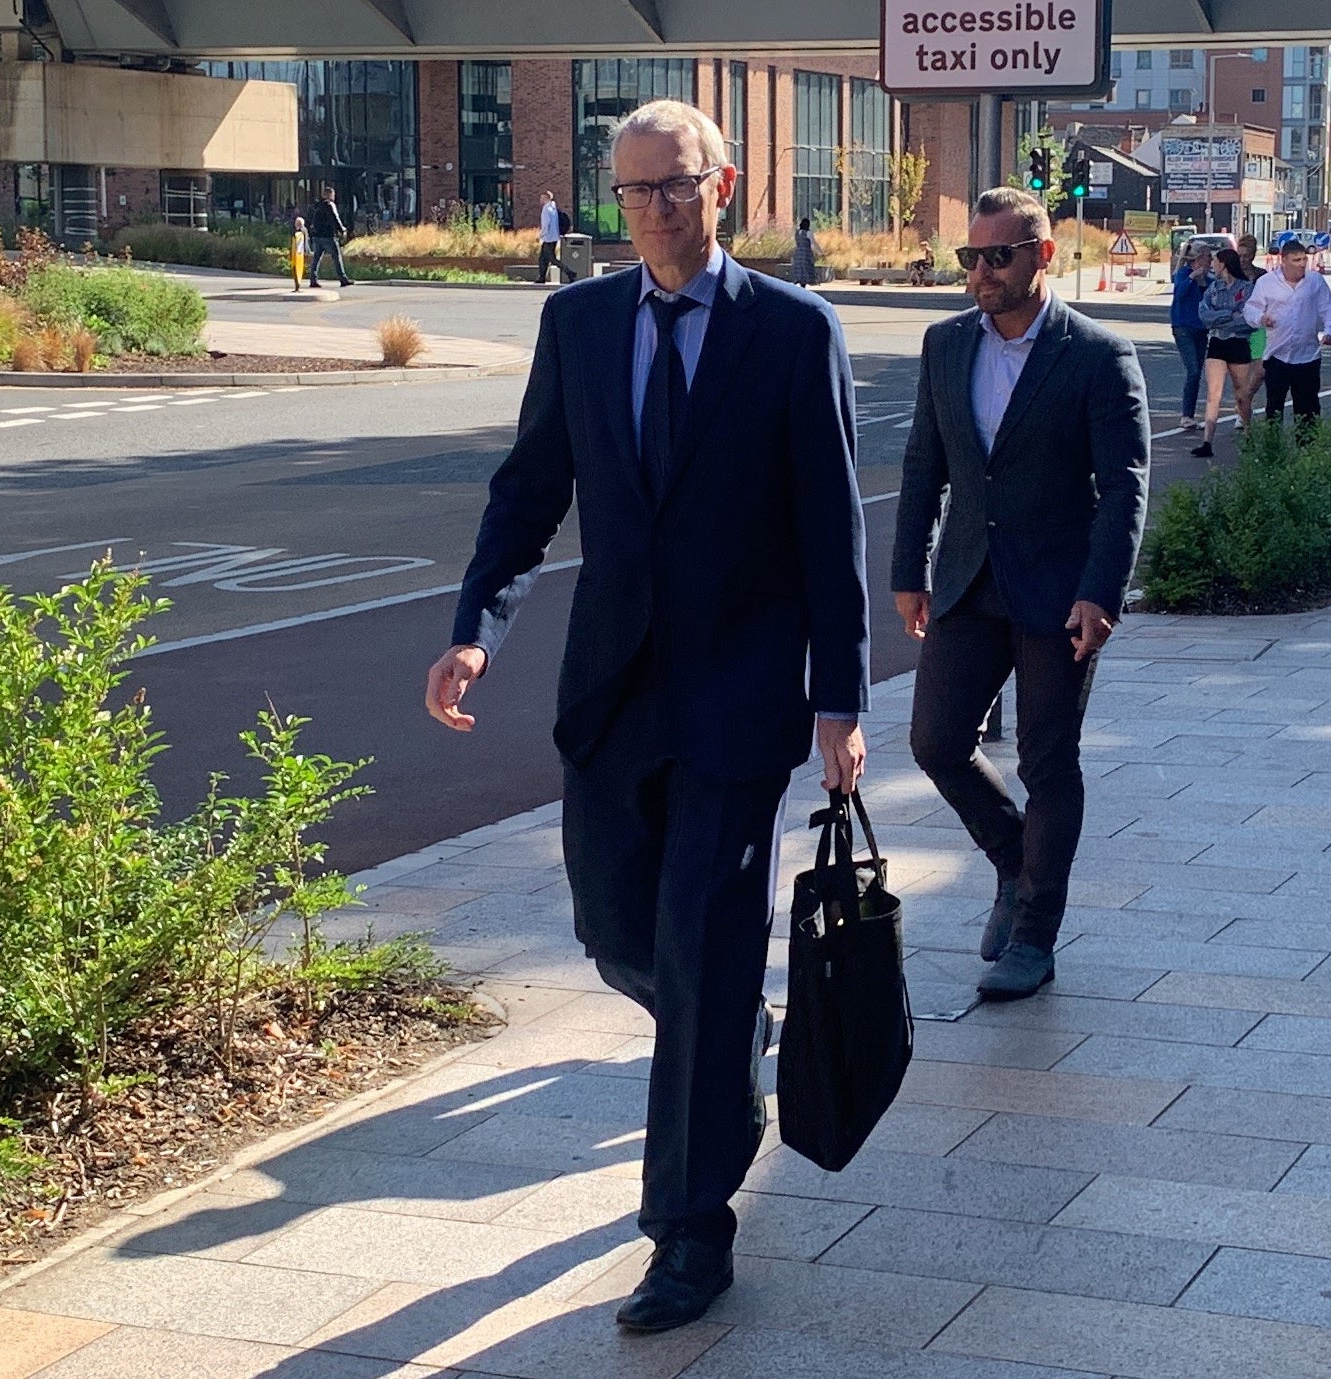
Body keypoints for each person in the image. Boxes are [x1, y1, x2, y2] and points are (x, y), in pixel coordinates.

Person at [423, 99, 869, 1334]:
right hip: (611, 694)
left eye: (674, 187)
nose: (653, 213)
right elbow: (527, 492)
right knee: (619, 933)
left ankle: (686, 1231)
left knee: (700, 936)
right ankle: (728, 1032)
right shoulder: (576, 324)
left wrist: (839, 696)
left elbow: (830, 527)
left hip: (737, 701)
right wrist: (476, 626)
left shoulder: (791, 331)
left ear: (721, 186)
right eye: (631, 194)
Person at [891, 186, 1151, 1002]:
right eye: (971, 256)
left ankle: (1035, 935)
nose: (981, 272)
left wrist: (1100, 593)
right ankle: (1014, 856)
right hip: (968, 582)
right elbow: (923, 466)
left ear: (1044, 255)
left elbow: (1126, 486)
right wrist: (908, 572)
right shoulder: (945, 345)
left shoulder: (1098, 356)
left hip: (1056, 594)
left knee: (1048, 761)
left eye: (998, 256)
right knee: (935, 740)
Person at [1243, 238, 1331, 434]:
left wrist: (1330, 331)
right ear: (1283, 260)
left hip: (1308, 356)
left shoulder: (1314, 281)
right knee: (1274, 407)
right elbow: (1250, 309)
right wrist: (1261, 318)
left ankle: (1308, 452)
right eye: (1296, 260)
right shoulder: (1266, 283)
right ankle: (1273, 448)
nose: (1302, 264)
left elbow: (1329, 307)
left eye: (1303, 259)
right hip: (1278, 355)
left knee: (1308, 409)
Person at [1191, 248, 1255, 459]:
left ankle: (1249, 435)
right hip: (1217, 342)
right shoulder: (1213, 288)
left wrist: (1225, 318)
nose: (1212, 266)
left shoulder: (1246, 288)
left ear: (1224, 264)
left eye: (1216, 262)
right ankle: (1207, 442)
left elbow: (1247, 319)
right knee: (1213, 394)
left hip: (1238, 343)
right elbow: (1204, 315)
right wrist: (1228, 314)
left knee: (1241, 394)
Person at [1169, 244, 1212, 431]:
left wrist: (1203, 282)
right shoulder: (1183, 273)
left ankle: (1191, 415)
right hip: (1183, 326)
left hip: (1201, 328)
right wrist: (1192, 278)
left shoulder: (1207, 278)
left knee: (1198, 371)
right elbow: (1179, 294)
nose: (1211, 261)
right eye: (1208, 257)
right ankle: (1186, 415)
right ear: (1200, 258)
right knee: (1193, 370)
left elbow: (1210, 297)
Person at [1233, 232, 1268, 423]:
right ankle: (1243, 411)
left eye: (1246, 256)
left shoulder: (1262, 276)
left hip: (1258, 329)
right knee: (1241, 376)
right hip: (1237, 330)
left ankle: (1245, 400)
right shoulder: (1232, 276)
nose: (1243, 260)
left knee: (1261, 372)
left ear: (1253, 255)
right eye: (1239, 255)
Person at [306, 185, 350, 288]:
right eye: (333, 194)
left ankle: (313, 279)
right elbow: (335, 218)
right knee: (336, 257)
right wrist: (342, 229)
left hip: (317, 236)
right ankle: (343, 279)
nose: (334, 197)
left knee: (316, 258)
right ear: (329, 195)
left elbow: (310, 219)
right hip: (328, 235)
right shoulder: (330, 205)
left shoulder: (316, 205)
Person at [536, 190, 576, 284]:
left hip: (548, 237)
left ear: (546, 198)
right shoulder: (553, 208)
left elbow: (546, 224)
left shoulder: (546, 209)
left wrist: (540, 235)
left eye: (542, 197)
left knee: (551, 259)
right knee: (543, 258)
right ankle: (541, 277)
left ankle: (570, 272)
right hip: (554, 237)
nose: (540, 199)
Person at [791, 216, 821, 287]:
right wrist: (820, 251)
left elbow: (796, 242)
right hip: (806, 253)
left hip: (798, 252)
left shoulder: (797, 232)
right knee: (806, 268)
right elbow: (814, 243)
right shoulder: (808, 233)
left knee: (799, 269)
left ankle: (799, 282)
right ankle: (804, 285)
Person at [289, 215, 308, 293]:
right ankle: (297, 286)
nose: (295, 224)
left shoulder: (299, 232)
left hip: (298, 255)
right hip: (299, 254)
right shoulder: (304, 230)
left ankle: (297, 286)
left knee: (296, 270)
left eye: (297, 223)